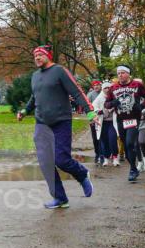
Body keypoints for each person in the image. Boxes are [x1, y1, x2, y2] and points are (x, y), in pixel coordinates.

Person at [16, 45, 95, 209]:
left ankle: (82, 175)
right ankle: (60, 198)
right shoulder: (35, 76)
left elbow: (77, 91)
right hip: (41, 124)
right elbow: (35, 96)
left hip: (61, 121)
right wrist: (25, 110)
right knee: (45, 162)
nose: (37, 58)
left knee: (62, 160)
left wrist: (89, 111)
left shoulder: (59, 71)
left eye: (40, 55)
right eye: (35, 56)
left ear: (48, 56)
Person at [105, 65, 145, 183]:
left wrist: (141, 106)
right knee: (126, 145)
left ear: (128, 74)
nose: (120, 75)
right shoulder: (113, 87)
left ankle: (132, 170)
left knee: (130, 143)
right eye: (118, 73)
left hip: (133, 118)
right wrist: (113, 103)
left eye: (123, 73)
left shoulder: (137, 85)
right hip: (120, 120)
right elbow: (106, 104)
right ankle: (133, 168)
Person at [92, 81, 119, 166]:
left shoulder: (115, 96)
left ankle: (115, 157)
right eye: (105, 88)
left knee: (113, 139)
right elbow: (93, 107)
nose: (107, 90)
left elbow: (120, 105)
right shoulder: (99, 98)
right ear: (102, 89)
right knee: (104, 141)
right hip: (102, 123)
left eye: (109, 88)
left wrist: (115, 108)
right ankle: (106, 158)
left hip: (112, 122)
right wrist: (99, 111)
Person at [134, 78, 145, 172]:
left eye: (139, 84)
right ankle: (140, 162)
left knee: (141, 141)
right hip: (132, 123)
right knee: (135, 144)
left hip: (143, 124)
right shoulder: (130, 96)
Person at [86, 80, 103, 165]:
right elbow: (87, 107)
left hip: (102, 119)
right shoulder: (90, 95)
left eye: (97, 85)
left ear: (100, 85)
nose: (96, 86)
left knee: (102, 137)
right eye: (94, 85)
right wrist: (91, 118)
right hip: (93, 119)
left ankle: (103, 154)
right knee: (95, 137)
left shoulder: (103, 93)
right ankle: (97, 153)